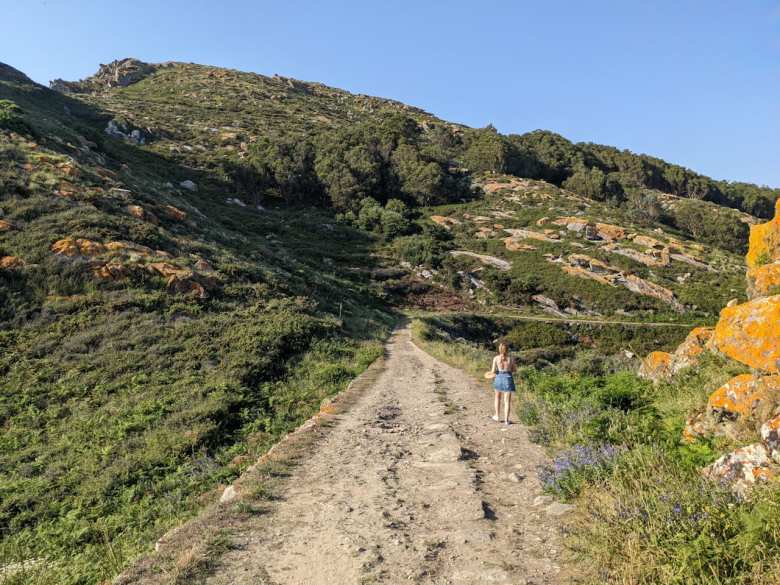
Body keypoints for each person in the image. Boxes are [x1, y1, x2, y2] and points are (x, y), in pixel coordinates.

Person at [489, 342, 516, 424]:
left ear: (499, 349)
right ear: (507, 349)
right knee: (507, 401)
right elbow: (514, 370)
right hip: (508, 378)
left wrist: (490, 375)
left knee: (497, 398)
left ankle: (497, 416)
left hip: (498, 378)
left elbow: (493, 371)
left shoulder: (496, 358)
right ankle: (506, 420)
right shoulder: (511, 359)